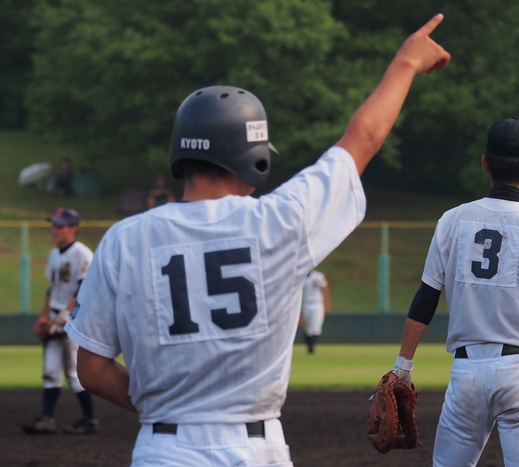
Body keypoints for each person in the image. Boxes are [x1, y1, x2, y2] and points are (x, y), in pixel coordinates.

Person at [64, 15, 449, 466]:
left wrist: (163, 405)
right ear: (254, 161)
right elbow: (362, 138)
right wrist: (405, 62)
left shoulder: (123, 240)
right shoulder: (280, 221)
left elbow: (90, 370)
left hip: (163, 448)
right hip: (253, 448)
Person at [390, 117, 519, 466]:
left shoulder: (451, 221)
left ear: (485, 163)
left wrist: (402, 365)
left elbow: (426, 298)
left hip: (466, 373)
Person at [23, 207, 99, 435]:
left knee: (74, 372)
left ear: (73, 228)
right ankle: (47, 419)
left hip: (74, 316)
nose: (55, 230)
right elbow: (51, 289)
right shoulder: (54, 254)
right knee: (51, 370)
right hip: (56, 315)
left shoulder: (83, 254)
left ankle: (90, 419)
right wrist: (43, 317)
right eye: (54, 225)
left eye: (60, 226)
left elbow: (83, 287)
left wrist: (65, 315)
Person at [299, 270, 331, 354]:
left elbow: (325, 290)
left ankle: (312, 346)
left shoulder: (318, 276)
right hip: (305, 304)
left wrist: (327, 304)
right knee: (306, 327)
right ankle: (309, 344)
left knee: (316, 325)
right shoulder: (301, 276)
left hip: (317, 303)